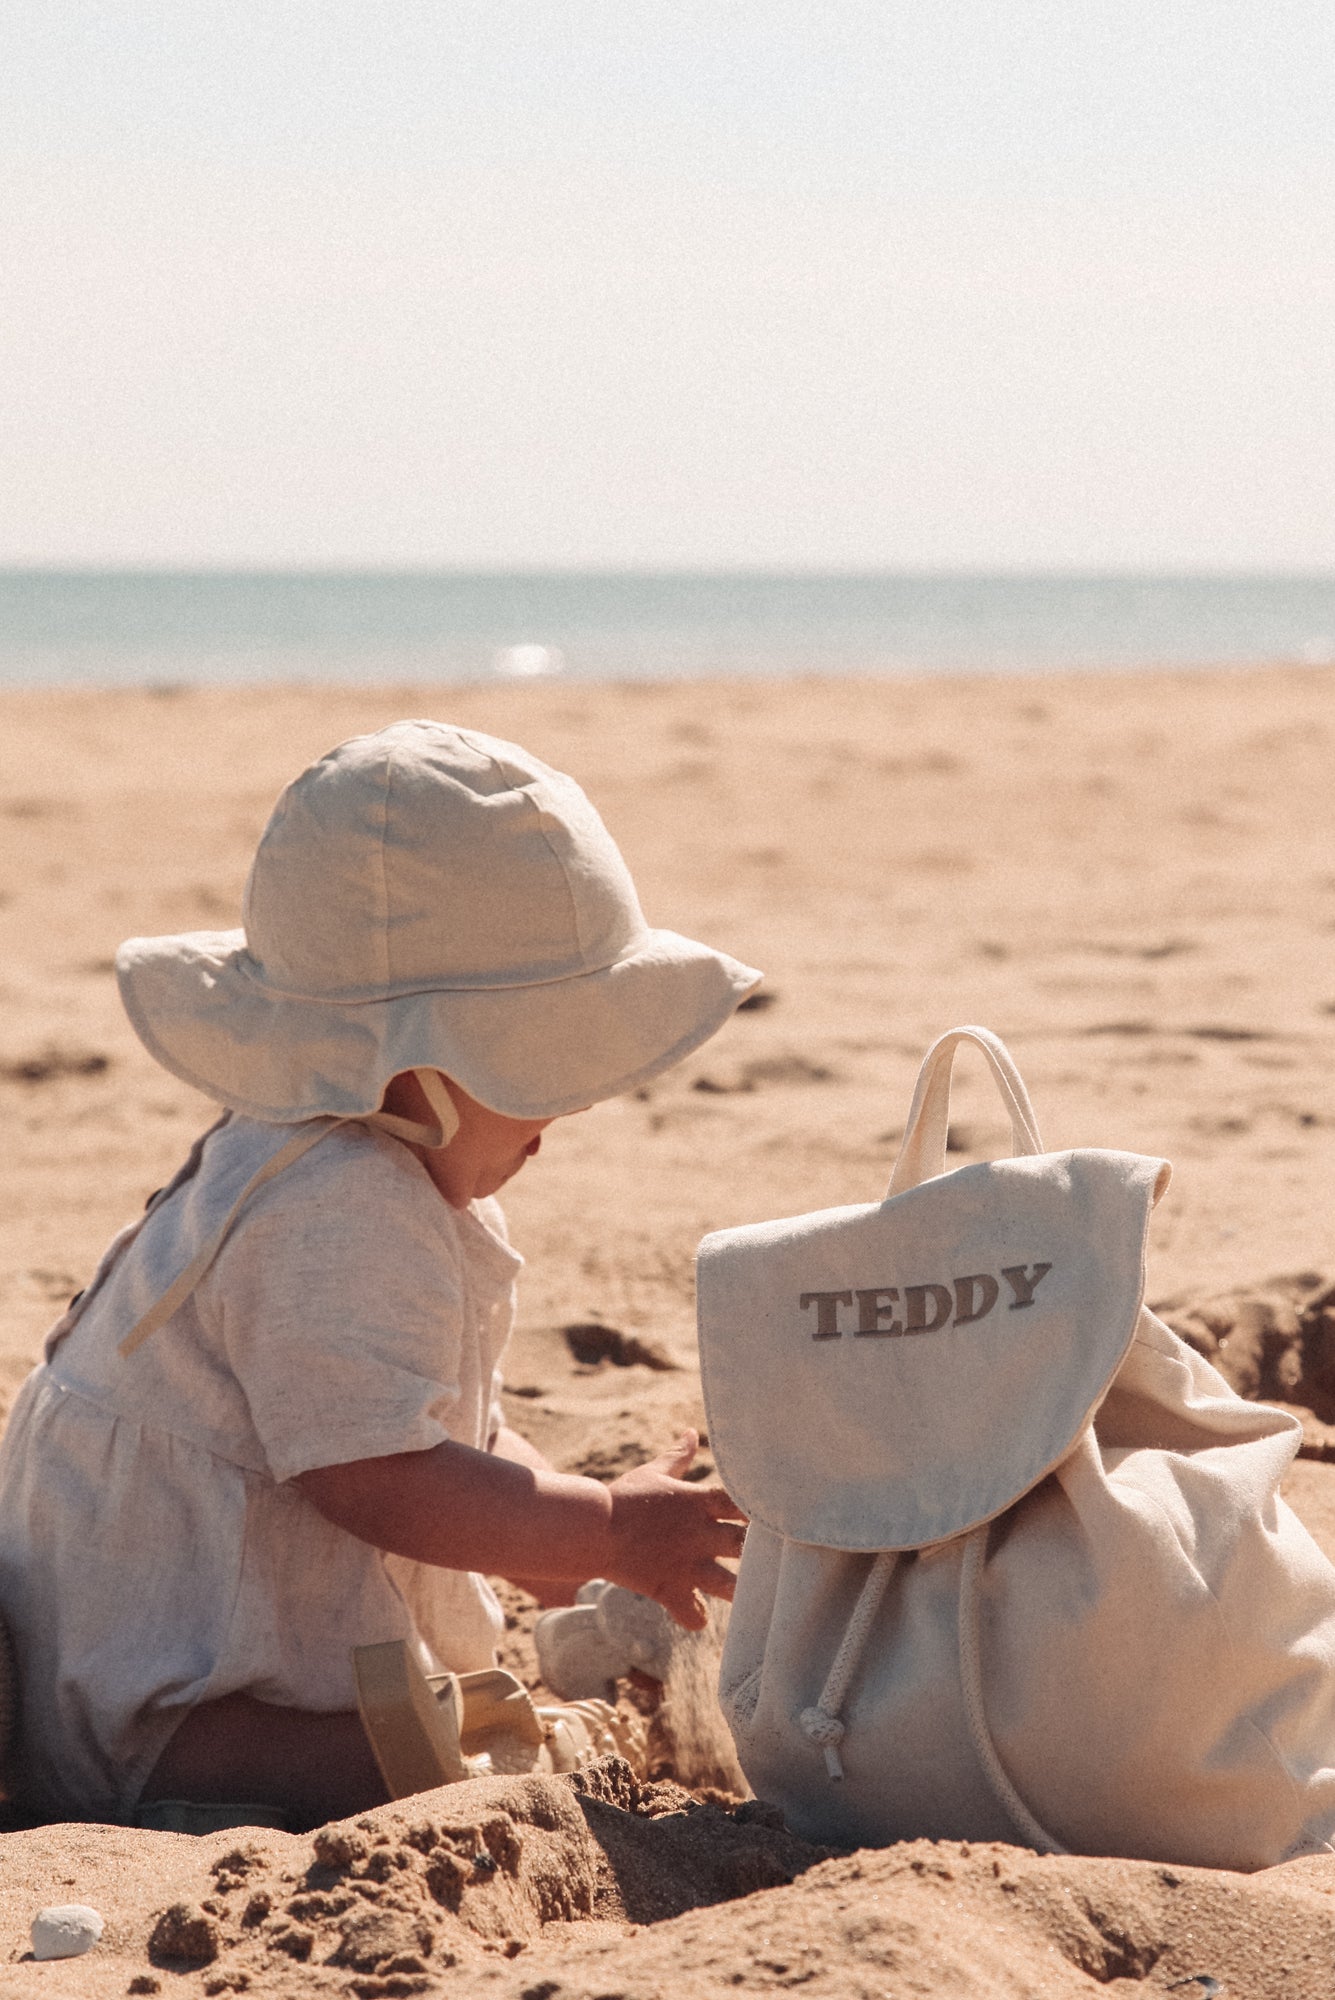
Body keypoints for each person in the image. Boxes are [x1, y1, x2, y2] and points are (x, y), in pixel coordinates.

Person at [0, 720, 759, 1828]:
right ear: (414, 1067)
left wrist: (577, 1541)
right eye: (547, 1065)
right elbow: (373, 1473)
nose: (575, 1104)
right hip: (165, 1697)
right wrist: (600, 1526)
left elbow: (438, 1420)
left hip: (174, 1640)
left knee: (426, 1723)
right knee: (399, 1772)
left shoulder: (371, 1160)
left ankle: (566, 1657)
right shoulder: (335, 1206)